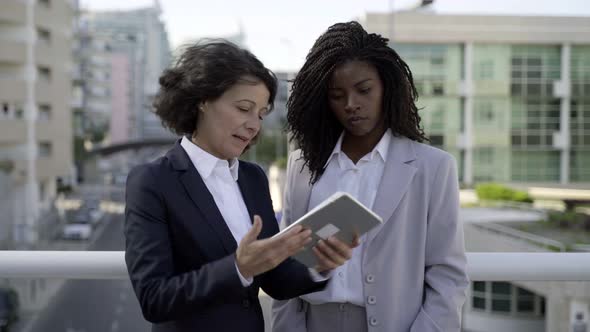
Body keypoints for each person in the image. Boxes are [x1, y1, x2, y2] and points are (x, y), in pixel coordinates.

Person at [124, 40, 356, 332]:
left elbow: (275, 280)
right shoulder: (153, 182)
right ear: (202, 100)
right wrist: (238, 268)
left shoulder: (253, 178)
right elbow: (154, 298)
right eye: (243, 108)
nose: (254, 125)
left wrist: (319, 266)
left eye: (260, 114)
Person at [271, 21, 469, 332]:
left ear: (386, 87)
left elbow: (447, 274)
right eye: (337, 95)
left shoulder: (432, 167)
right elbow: (287, 262)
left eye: (364, 90)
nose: (351, 104)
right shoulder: (302, 165)